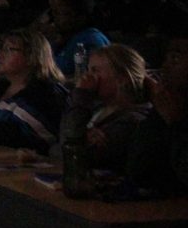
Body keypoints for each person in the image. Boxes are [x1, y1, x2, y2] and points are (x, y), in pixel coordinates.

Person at [60, 43, 150, 173]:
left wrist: (80, 96)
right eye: (88, 70)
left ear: (122, 78)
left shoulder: (134, 120)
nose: (87, 77)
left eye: (95, 70)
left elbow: (74, 154)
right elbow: (58, 147)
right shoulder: (97, 108)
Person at [127, 34, 188, 193]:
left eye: (175, 58)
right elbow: (139, 171)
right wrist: (161, 117)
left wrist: (175, 123)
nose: (165, 67)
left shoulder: (174, 113)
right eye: (167, 58)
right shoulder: (167, 106)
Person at [49, 0, 109, 78]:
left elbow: (86, 77)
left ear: (80, 18)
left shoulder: (91, 40)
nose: (56, 19)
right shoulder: (67, 39)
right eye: (56, 14)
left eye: (63, 14)